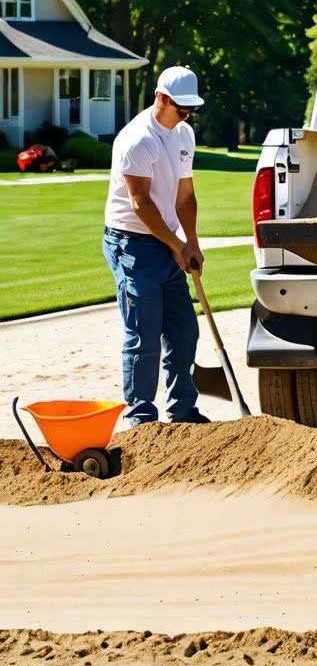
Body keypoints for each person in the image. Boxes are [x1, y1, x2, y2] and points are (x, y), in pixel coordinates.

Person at [102, 66, 209, 427]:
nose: (187, 115)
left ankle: (183, 412)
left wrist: (191, 242)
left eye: (191, 109)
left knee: (183, 329)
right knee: (143, 333)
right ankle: (141, 419)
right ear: (161, 99)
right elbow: (140, 204)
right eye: (182, 108)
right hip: (131, 243)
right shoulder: (137, 139)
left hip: (165, 241)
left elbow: (185, 195)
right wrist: (176, 244)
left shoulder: (184, 135)